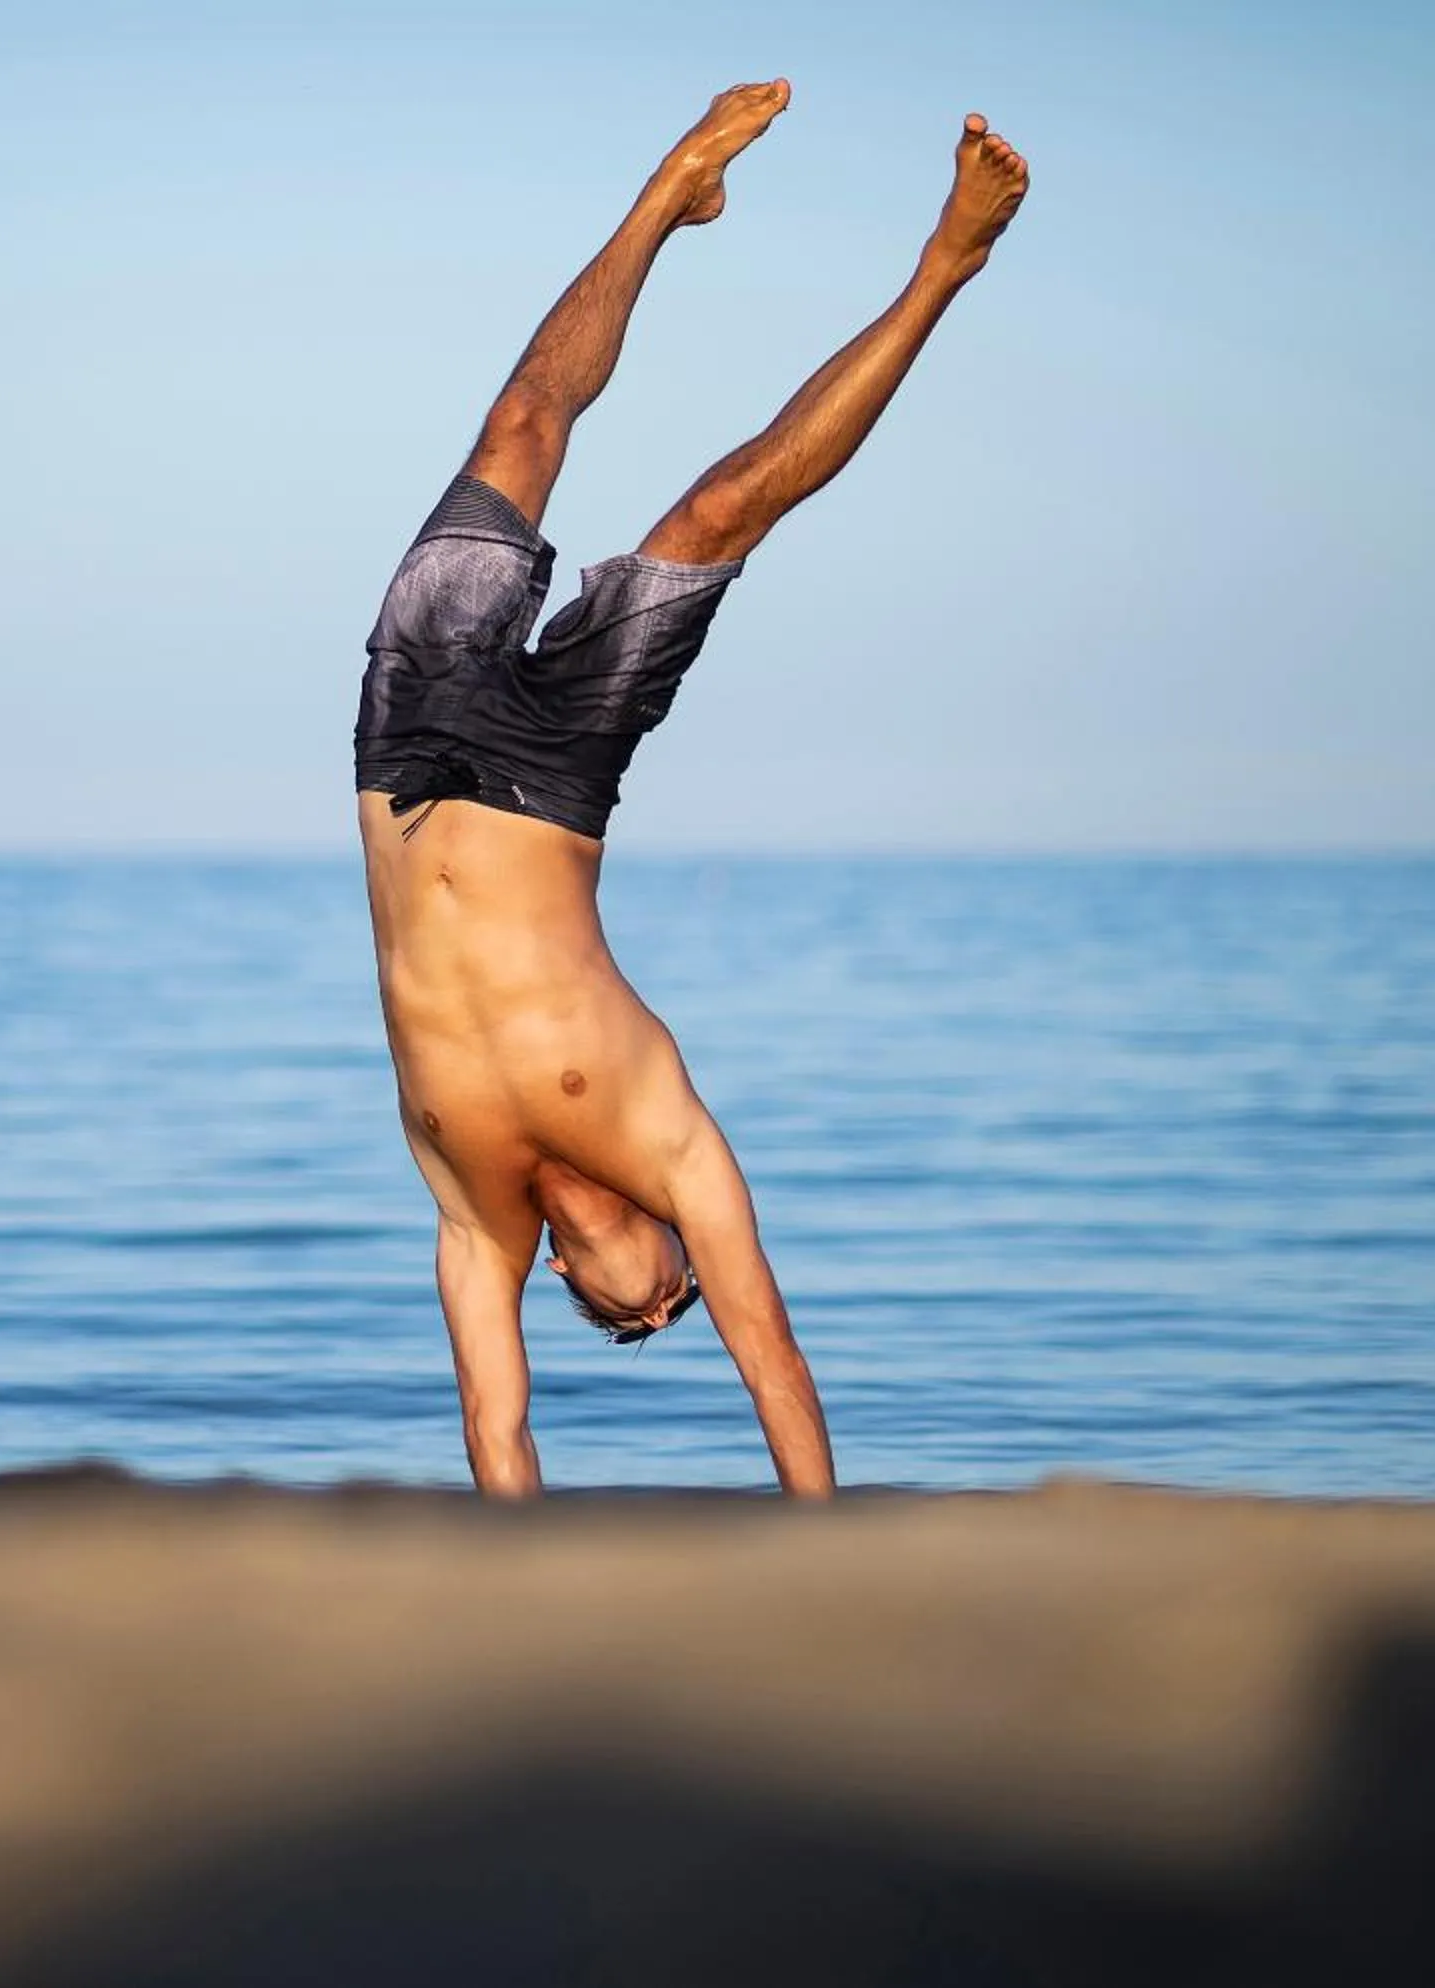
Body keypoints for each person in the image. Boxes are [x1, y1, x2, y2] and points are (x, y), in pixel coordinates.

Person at [353, 81, 1029, 1499]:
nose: (669, 1305)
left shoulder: (475, 1219)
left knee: (518, 427)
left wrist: (519, 1558)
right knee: (722, 511)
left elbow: (495, 1429)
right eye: (682, 1301)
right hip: (558, 775)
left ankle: (683, 199)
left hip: (404, 742)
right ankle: (930, 262)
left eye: (643, 1323)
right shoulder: (670, 1140)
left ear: (576, 1287)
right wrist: (822, 1533)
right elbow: (771, 1352)